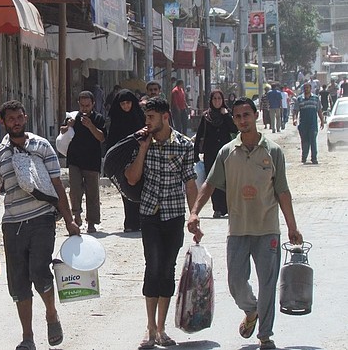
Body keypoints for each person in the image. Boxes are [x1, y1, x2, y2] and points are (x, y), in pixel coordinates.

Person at [0, 100, 80, 350]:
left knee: (39, 270)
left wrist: (69, 219)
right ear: (3, 122)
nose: (15, 121)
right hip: (13, 224)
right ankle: (28, 337)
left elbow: (58, 185)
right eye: (10, 118)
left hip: (42, 219)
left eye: (19, 117)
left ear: (25, 117)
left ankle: (51, 313)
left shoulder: (41, 146)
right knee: (19, 282)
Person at [187, 97, 304, 350]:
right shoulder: (227, 152)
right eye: (238, 116)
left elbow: (283, 191)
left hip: (267, 230)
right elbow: (208, 184)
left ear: (255, 115)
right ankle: (251, 311)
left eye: (246, 115)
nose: (242, 120)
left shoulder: (273, 151)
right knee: (235, 282)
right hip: (238, 229)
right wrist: (195, 212)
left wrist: (292, 226)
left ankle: (265, 335)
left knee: (268, 285)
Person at [124, 97, 198, 349]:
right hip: (149, 213)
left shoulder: (184, 146)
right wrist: (143, 148)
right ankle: (150, 327)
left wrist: (194, 214)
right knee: (152, 266)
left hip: (174, 214)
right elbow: (132, 178)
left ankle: (162, 327)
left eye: (151, 117)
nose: (147, 122)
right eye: (146, 117)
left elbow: (190, 182)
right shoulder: (141, 142)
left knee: (167, 268)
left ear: (165, 117)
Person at [61, 90, 106, 233]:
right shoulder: (74, 117)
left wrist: (90, 126)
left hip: (92, 160)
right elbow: (62, 131)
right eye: (82, 105)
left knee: (92, 192)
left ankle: (92, 222)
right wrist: (68, 125)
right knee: (75, 190)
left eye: (87, 105)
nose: (85, 108)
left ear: (93, 104)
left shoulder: (98, 118)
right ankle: (76, 215)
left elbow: (101, 137)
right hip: (74, 159)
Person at [106, 89, 146, 232]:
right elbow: (112, 142)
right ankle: (130, 222)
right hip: (122, 162)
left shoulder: (139, 116)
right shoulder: (116, 120)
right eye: (123, 104)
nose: (126, 106)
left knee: (141, 189)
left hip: (140, 158)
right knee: (127, 190)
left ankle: (142, 221)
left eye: (128, 103)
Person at [194, 89, 238, 219]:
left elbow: (234, 128)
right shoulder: (206, 116)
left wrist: (226, 116)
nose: (217, 101)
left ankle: (227, 206)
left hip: (225, 152)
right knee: (212, 180)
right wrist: (195, 154)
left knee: (226, 180)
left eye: (219, 98)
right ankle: (217, 208)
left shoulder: (227, 114)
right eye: (215, 99)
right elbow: (199, 135)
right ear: (211, 101)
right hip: (210, 152)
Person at [292, 83, 325, 164]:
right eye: (305, 88)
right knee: (304, 141)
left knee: (313, 141)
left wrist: (322, 121)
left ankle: (314, 158)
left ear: (311, 88)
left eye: (308, 87)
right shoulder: (299, 99)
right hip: (303, 124)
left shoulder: (316, 98)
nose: (306, 89)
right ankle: (304, 158)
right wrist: (295, 119)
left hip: (313, 124)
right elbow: (295, 111)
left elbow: (319, 111)